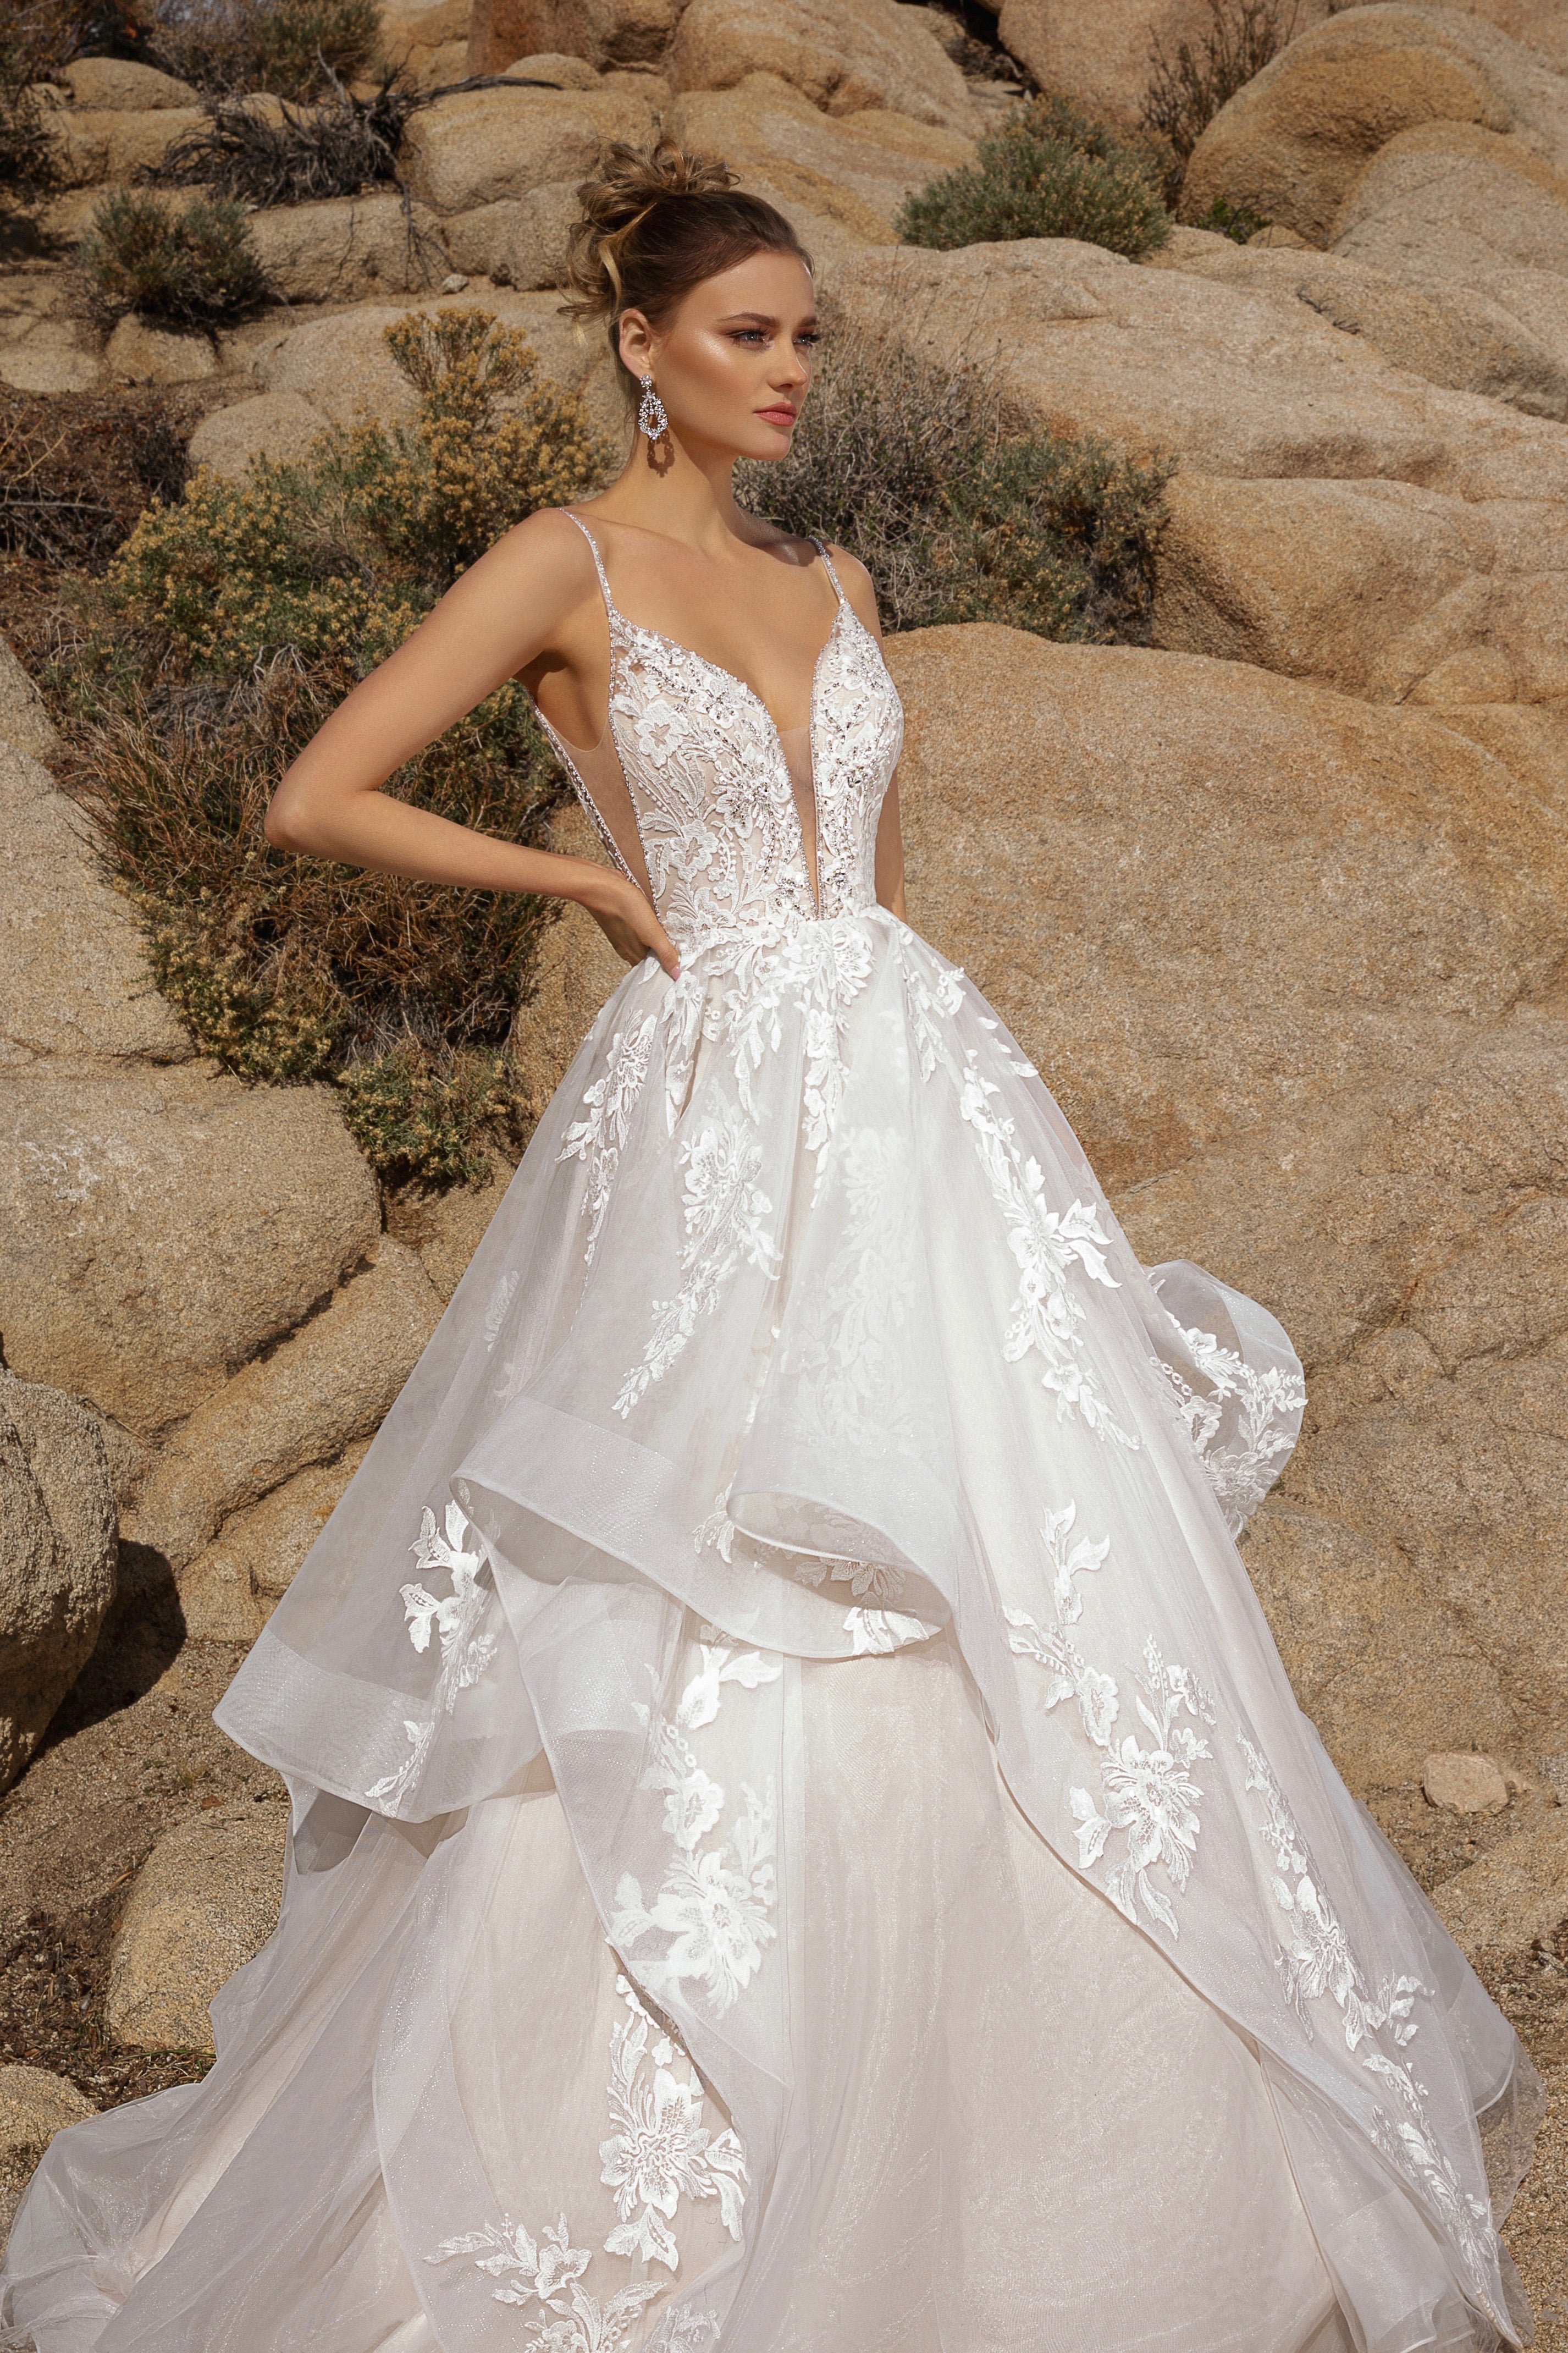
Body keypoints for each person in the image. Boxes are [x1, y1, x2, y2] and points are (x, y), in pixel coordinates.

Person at [2, 139, 1543, 2353]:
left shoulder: (833, 581)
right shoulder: (562, 565)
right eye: (749, 334)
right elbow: (319, 788)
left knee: (996, 1557)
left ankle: (1046, 2159)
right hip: (706, 1101)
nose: (791, 370)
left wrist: (957, 1142)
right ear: (642, 347)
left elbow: (877, 884)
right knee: (686, 1585)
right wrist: (589, 890)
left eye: (809, 334)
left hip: (910, 1088)